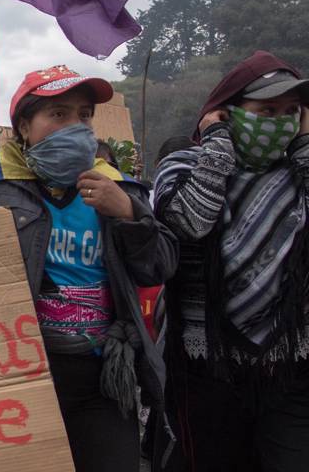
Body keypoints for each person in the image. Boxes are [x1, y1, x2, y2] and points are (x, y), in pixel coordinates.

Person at [0, 65, 178, 472]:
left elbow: (159, 267)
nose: (76, 128)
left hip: (102, 382)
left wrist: (130, 214)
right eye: (59, 114)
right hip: (13, 381)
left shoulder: (122, 189)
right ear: (24, 126)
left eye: (84, 115)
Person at [153, 50, 309, 472]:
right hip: (208, 370)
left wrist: (305, 146)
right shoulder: (182, 166)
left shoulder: (298, 173)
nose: (279, 121)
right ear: (227, 112)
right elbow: (192, 223)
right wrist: (218, 144)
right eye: (267, 110)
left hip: (290, 367)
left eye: (291, 112)